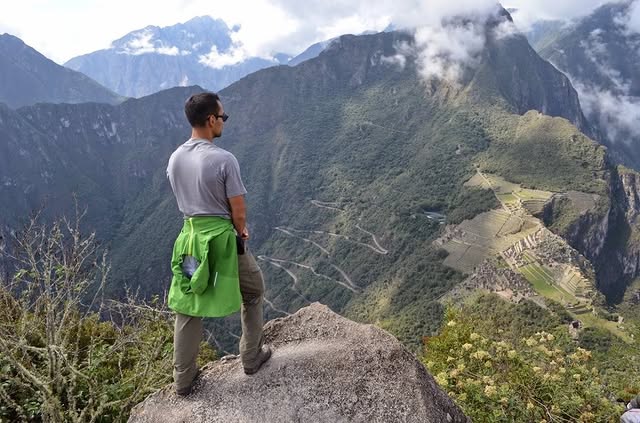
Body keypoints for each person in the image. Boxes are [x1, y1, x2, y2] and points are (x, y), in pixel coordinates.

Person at [166, 92, 271, 396]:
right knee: (253, 291)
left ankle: (183, 380)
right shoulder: (224, 159)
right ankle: (251, 357)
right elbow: (238, 210)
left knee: (188, 302)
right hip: (221, 241)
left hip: (189, 239)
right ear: (211, 120)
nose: (224, 122)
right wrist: (240, 231)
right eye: (222, 117)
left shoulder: (175, 158)